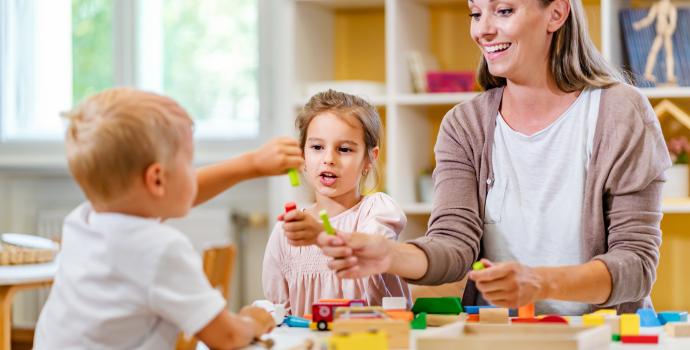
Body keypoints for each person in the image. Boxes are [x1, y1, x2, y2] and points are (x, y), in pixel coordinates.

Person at [317, 0, 671, 315]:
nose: (482, 30)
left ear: (557, 13)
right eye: (475, 13)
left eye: (504, 11)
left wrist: (541, 283)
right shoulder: (464, 125)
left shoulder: (620, 112)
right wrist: (390, 255)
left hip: (601, 336)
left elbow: (635, 264)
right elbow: (453, 246)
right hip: (498, 333)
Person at [35, 88, 303, 349]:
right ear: (157, 179)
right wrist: (253, 319)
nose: (193, 171)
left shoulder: (84, 220)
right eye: (189, 162)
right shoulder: (159, 249)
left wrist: (252, 164)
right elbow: (227, 338)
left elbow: (163, 198)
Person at [262, 90, 410, 317]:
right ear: (302, 155)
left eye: (344, 149)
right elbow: (280, 311)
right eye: (317, 147)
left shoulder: (378, 210)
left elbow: (368, 252)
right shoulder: (286, 232)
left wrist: (319, 234)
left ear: (369, 159)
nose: (329, 158)